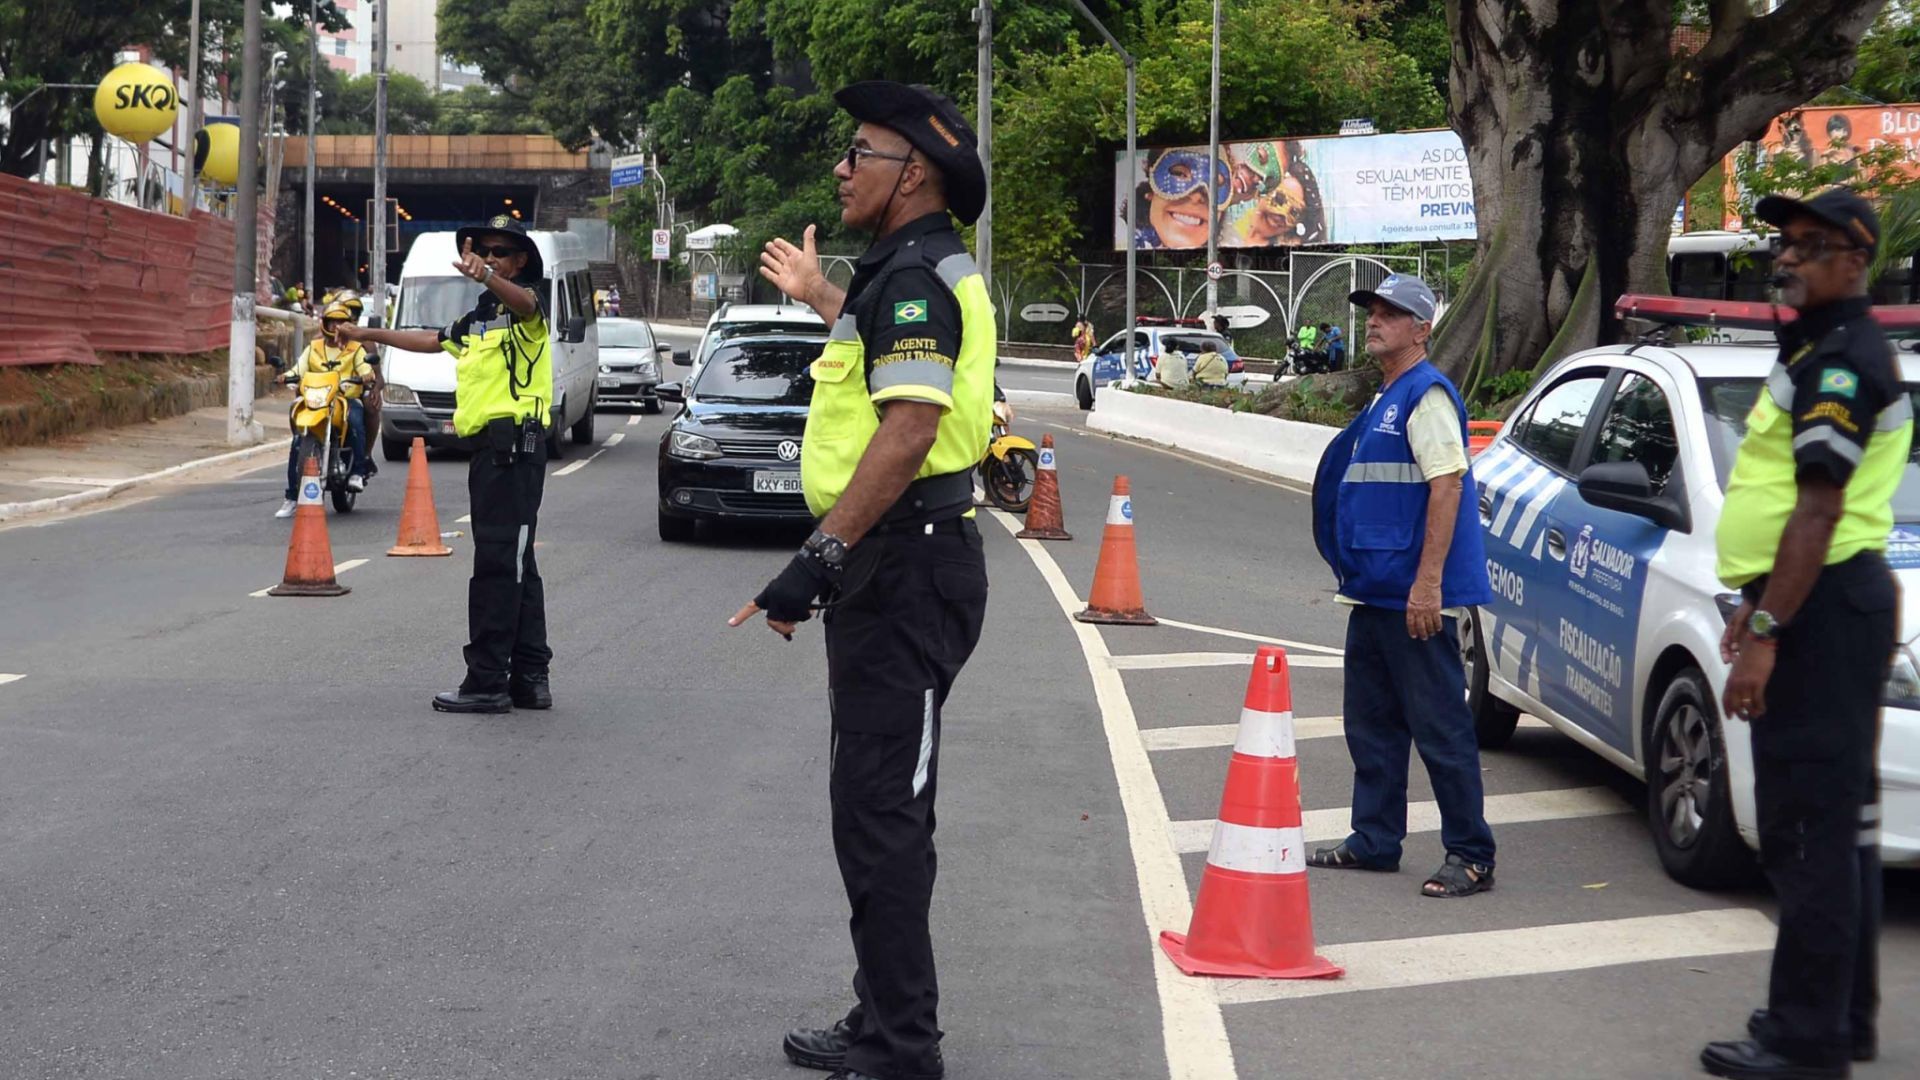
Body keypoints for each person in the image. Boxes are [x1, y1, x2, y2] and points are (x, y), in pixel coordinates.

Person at [735, 80, 994, 1080]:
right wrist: (819, 296)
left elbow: (912, 426)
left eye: (860, 154)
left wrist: (820, 558)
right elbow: (891, 357)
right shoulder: (900, 277)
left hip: (904, 568)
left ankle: (901, 1044)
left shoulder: (918, 279)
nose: (842, 169)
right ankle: (882, 1013)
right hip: (897, 566)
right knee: (876, 806)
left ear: (912, 172)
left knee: (883, 809)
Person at [1699, 187, 1904, 1080]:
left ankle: (1804, 1040)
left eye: (1811, 245)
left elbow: (1819, 510)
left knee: (1808, 834)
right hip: (1822, 599)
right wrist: (1756, 597)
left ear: (1855, 262)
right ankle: (1840, 1017)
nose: (1786, 257)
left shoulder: (1842, 362)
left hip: (1823, 612)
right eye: (1783, 242)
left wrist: (1769, 629)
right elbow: (1788, 504)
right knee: (1843, 827)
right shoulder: (1821, 347)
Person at [1307, 273, 1496, 898]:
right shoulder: (1386, 397)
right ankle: (1375, 840)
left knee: (1441, 729)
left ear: (1422, 330)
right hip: (1374, 593)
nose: (1375, 320)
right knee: (1372, 727)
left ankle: (1471, 854)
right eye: (1373, 310)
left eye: (1391, 313)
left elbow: (1448, 486)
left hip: (1414, 600)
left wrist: (1428, 587)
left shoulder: (1426, 395)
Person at [338, 215, 555, 715]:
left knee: (497, 569)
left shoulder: (526, 307)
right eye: (486, 250)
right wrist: (366, 333)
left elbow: (523, 303)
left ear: (520, 261)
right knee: (519, 565)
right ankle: (528, 678)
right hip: (489, 455)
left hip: (514, 454)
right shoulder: (479, 317)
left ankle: (486, 682)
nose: (492, 256)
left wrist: (486, 275)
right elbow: (432, 339)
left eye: (502, 251)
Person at [274, 302, 374, 518]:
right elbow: (299, 368)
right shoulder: (314, 347)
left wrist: (366, 375)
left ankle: (357, 471)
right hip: (315, 400)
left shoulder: (355, 348)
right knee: (298, 441)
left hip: (344, 398)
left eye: (341, 321)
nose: (336, 325)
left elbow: (365, 367)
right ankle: (292, 496)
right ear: (325, 323)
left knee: (356, 420)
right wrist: (286, 375)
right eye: (332, 321)